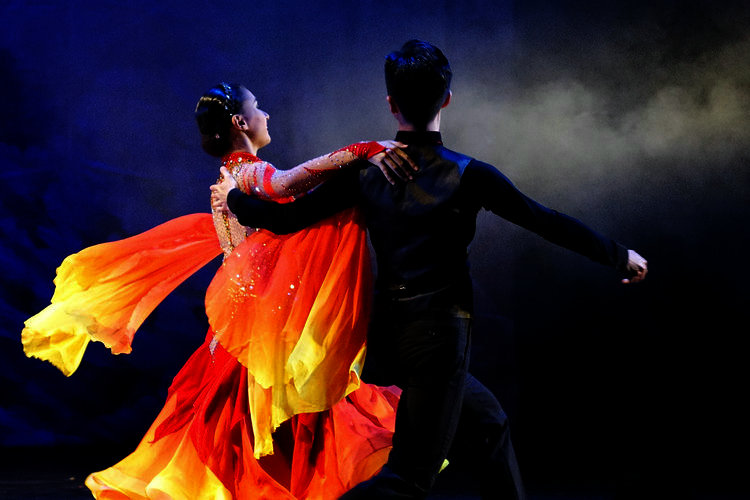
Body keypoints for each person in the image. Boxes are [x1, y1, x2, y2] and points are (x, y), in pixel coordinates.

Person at [211, 40, 648, 499]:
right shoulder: (468, 174)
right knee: (409, 479)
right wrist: (618, 254)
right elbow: (545, 221)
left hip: (388, 336)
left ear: (391, 104)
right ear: (447, 100)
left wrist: (234, 198)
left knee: (489, 424)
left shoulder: (367, 171)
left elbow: (285, 219)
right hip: (437, 337)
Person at [21, 81, 417, 499]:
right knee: (265, 425)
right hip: (260, 327)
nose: (266, 115)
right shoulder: (247, 172)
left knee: (239, 426)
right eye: (258, 107)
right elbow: (287, 184)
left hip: (240, 326)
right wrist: (362, 149)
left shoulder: (228, 178)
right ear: (240, 122)